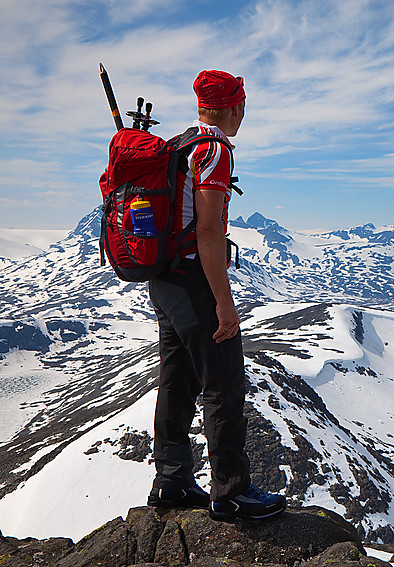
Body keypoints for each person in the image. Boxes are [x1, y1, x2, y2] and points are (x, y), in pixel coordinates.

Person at [145, 70, 286, 521]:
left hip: (163, 278)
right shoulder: (213, 151)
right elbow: (208, 230)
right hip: (193, 278)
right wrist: (224, 302)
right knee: (222, 381)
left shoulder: (179, 144)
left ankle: (171, 482)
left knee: (176, 378)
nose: (244, 111)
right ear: (232, 106)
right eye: (242, 102)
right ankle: (231, 491)